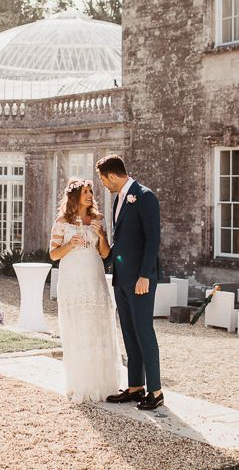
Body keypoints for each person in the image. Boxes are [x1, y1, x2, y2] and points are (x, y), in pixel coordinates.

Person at [96, 154, 164, 410]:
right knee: (129, 332)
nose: (103, 184)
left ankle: (156, 392)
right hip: (121, 278)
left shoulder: (145, 196)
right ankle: (136, 386)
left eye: (103, 179)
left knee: (144, 331)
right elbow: (122, 241)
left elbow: (152, 239)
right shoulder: (118, 200)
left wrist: (145, 275)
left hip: (140, 280)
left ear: (112, 176)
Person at [48, 178, 119, 403]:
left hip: (94, 276)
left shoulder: (98, 219)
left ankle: (101, 382)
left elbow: (106, 253)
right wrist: (70, 244)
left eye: (91, 192)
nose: (90, 195)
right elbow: (53, 254)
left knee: (97, 324)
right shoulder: (62, 221)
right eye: (86, 192)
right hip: (72, 279)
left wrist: (101, 235)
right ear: (75, 196)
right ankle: (80, 382)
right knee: (77, 325)